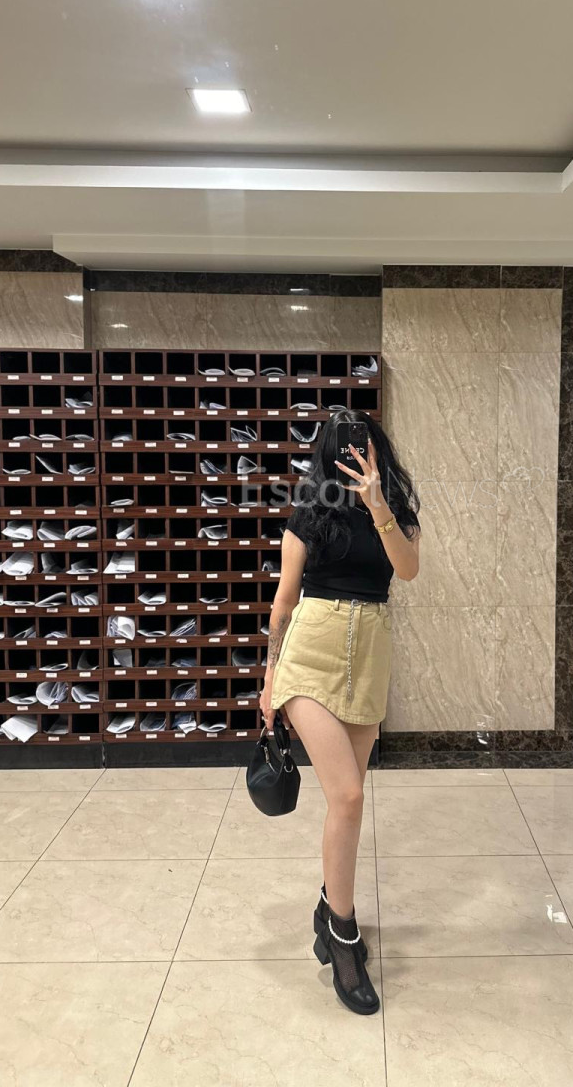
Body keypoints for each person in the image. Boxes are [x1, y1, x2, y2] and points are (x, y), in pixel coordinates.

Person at [259, 410, 420, 1015]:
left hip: (369, 658)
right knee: (348, 796)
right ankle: (343, 934)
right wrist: (270, 677)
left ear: (379, 450)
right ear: (327, 454)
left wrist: (377, 503)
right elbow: (283, 601)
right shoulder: (309, 511)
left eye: (365, 446)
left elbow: (407, 569)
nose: (355, 456)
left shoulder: (395, 508)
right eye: (344, 448)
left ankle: (329, 907)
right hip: (311, 657)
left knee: (347, 802)